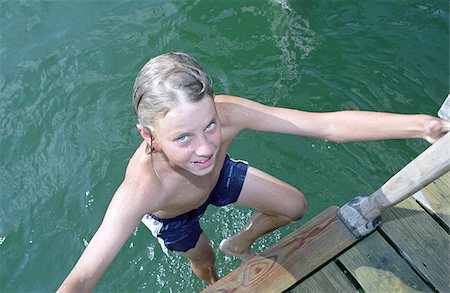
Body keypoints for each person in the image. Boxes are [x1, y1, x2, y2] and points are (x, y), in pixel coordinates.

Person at [58, 52, 449, 291]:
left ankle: (239, 243)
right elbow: (81, 279)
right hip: (174, 215)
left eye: (210, 124)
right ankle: (215, 284)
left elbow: (324, 125)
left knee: (293, 205)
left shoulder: (228, 115)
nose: (205, 147)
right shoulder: (142, 188)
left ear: (214, 105)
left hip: (216, 181)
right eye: (183, 137)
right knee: (204, 258)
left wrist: (419, 126)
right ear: (149, 135)